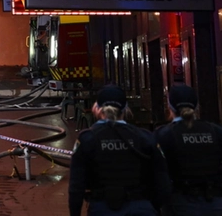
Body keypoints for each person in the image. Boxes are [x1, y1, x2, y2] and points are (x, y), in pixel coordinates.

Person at [69, 84, 170, 216]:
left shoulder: (88, 139)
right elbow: (162, 181)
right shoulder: (144, 137)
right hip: (140, 207)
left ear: (97, 108)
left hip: (102, 208)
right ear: (126, 108)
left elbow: (76, 187)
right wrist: (152, 207)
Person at [154, 84, 222, 214]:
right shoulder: (216, 131)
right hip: (216, 203)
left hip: (180, 203)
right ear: (196, 105)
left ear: (169, 106)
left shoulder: (163, 135)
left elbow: (154, 170)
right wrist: (217, 171)